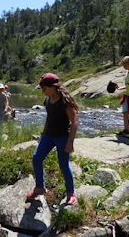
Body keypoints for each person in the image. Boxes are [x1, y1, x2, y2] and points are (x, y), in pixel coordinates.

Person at [26, 73, 79, 205]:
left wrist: (70, 142)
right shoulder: (48, 101)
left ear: (53, 87)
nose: (43, 92)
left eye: (44, 89)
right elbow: (49, 118)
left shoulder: (65, 101)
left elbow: (74, 122)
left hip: (62, 137)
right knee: (37, 158)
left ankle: (71, 193)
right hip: (48, 135)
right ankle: (39, 188)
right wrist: (43, 134)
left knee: (63, 165)